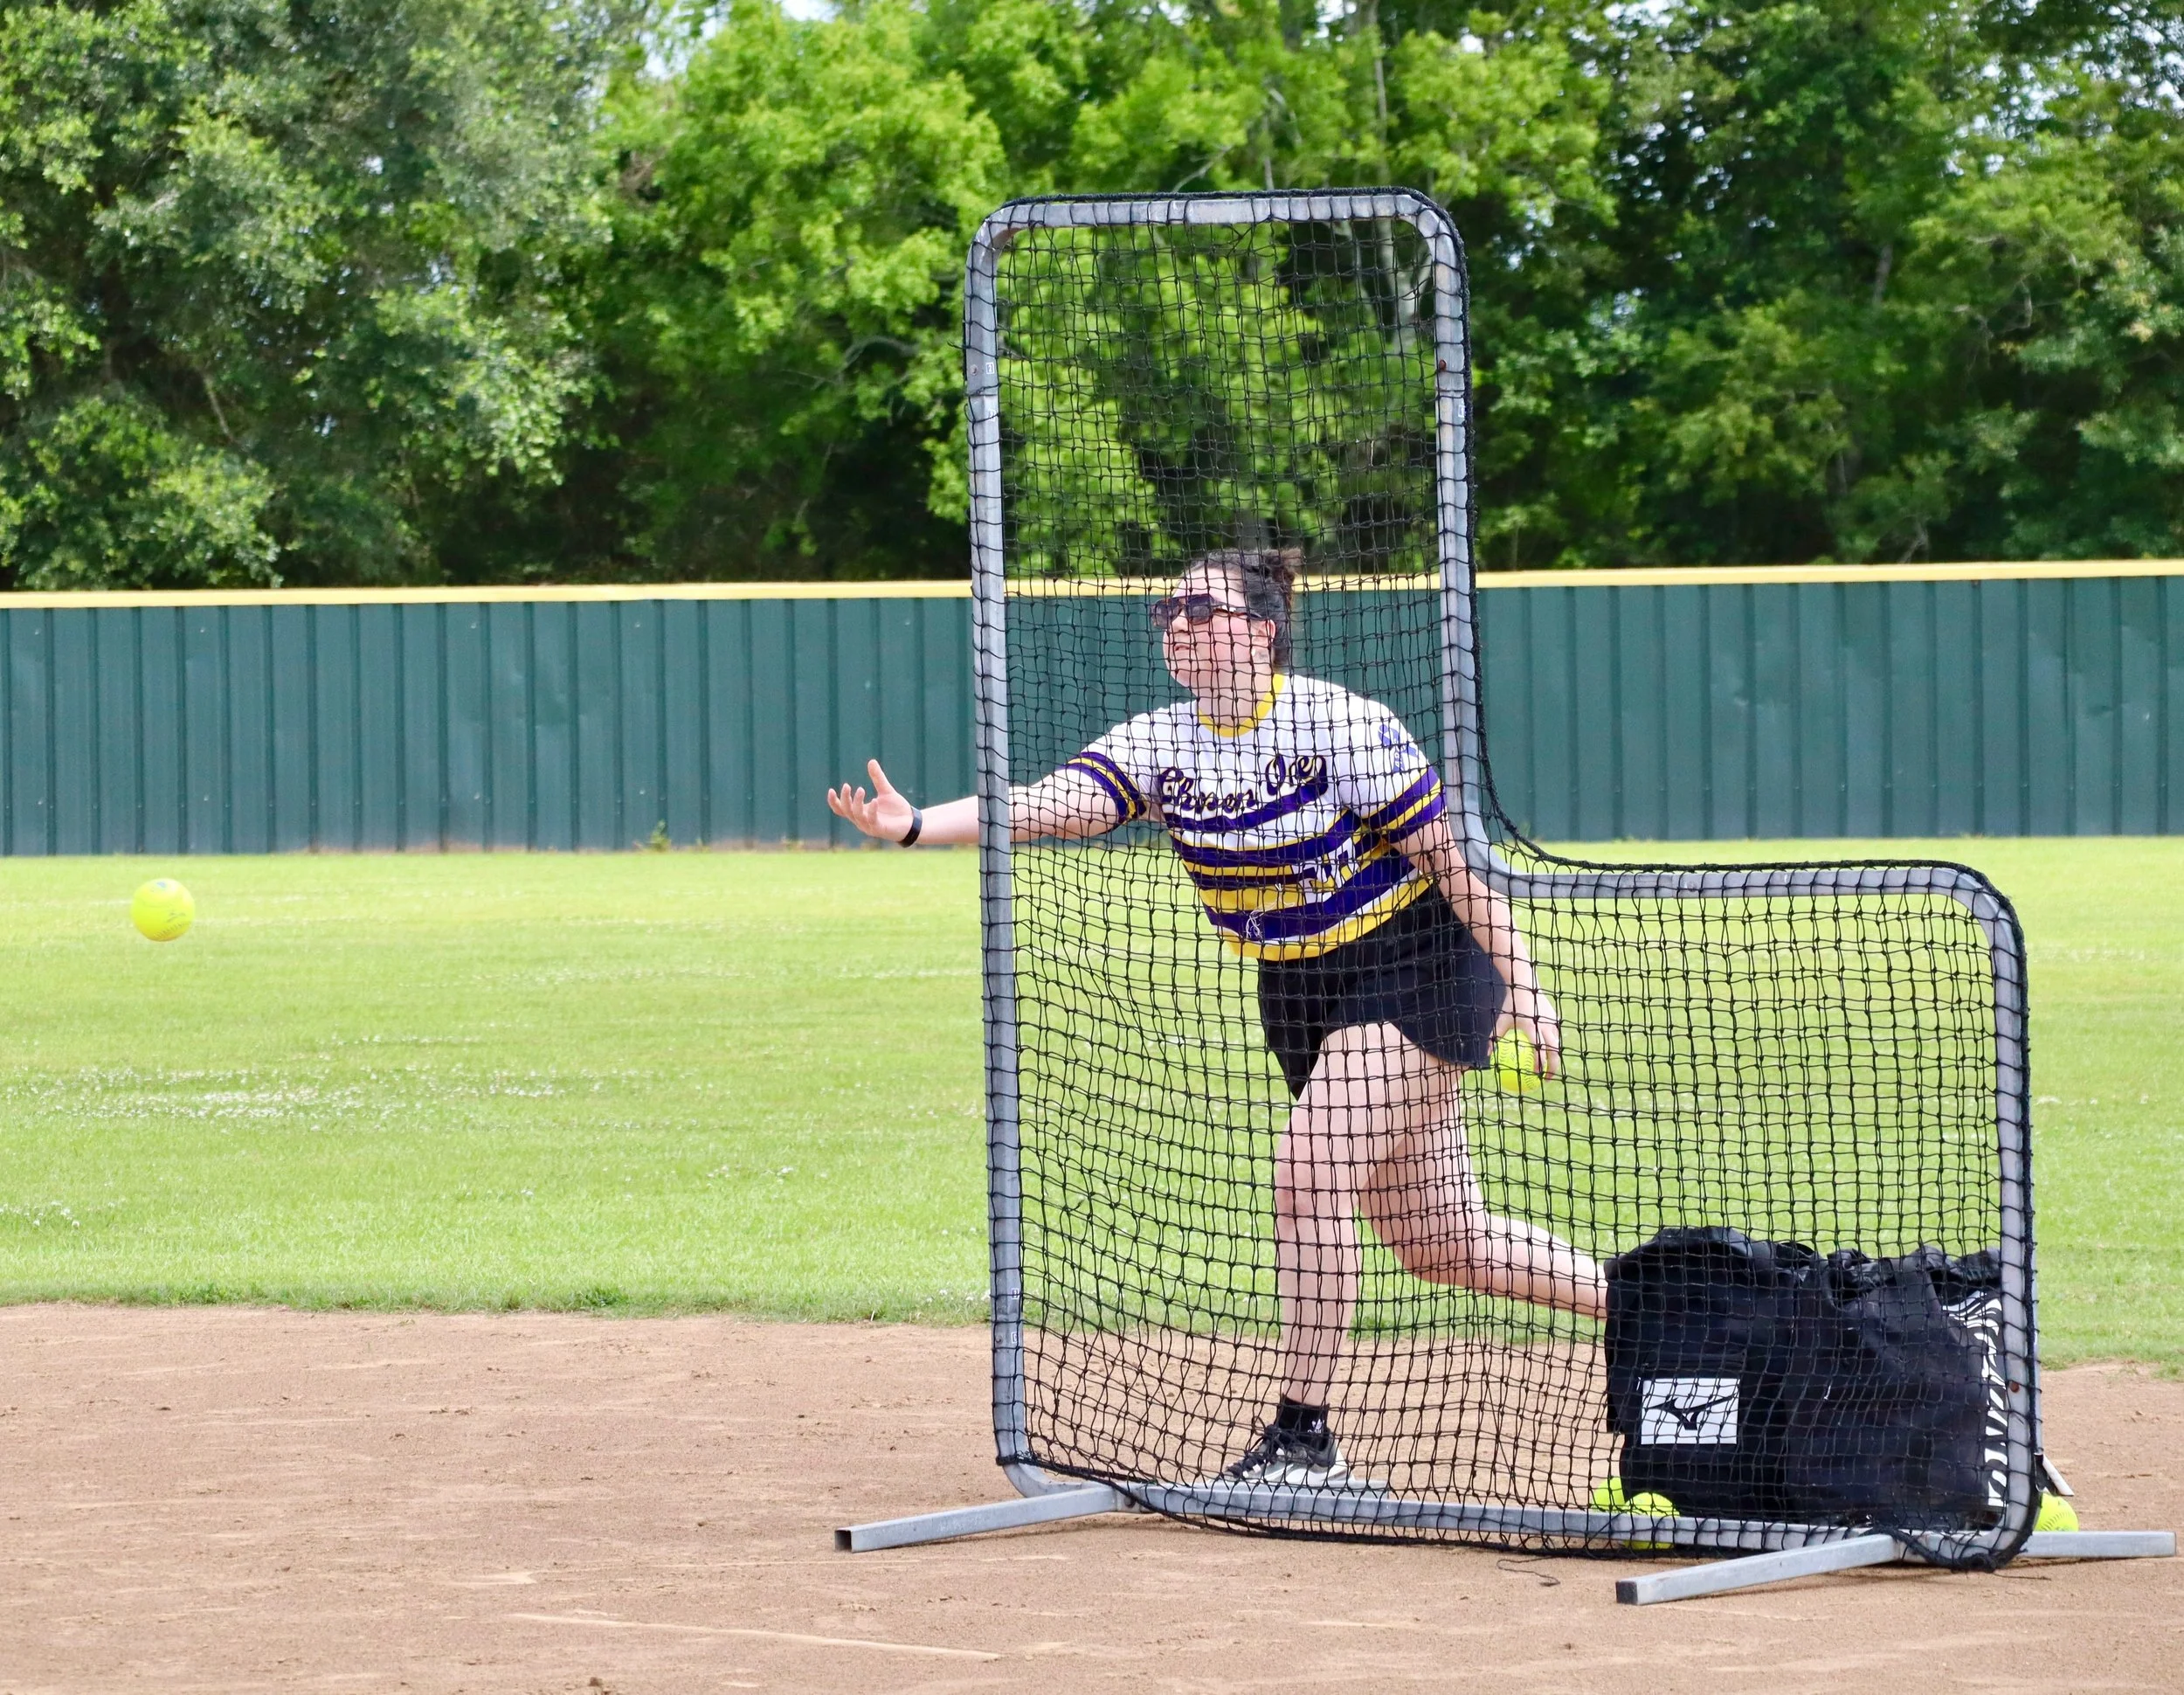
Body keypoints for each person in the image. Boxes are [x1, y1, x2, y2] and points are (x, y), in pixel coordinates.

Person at [828, 549, 1605, 1486]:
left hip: (1416, 964)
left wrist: (1523, 983)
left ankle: (1304, 1439)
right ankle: (1651, 1304)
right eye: (1169, 610)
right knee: (1442, 1242)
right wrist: (917, 826)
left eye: (1203, 607)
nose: (1179, 624)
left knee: (1305, 1173)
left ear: (1263, 628)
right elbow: (1052, 804)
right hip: (1299, 990)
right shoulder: (1163, 741)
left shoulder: (1339, 723)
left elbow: (1452, 863)